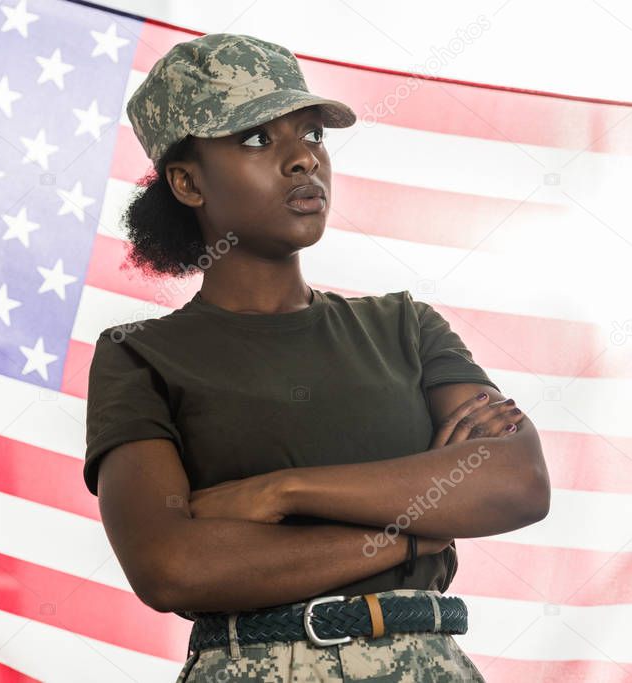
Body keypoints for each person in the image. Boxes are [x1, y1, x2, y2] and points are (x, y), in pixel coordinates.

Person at [83, 33, 551, 681]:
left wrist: (279, 492)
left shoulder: (403, 326)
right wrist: (413, 534)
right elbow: (172, 566)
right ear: (188, 182)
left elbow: (514, 482)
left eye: (311, 134)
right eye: (256, 139)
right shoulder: (140, 357)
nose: (303, 158)